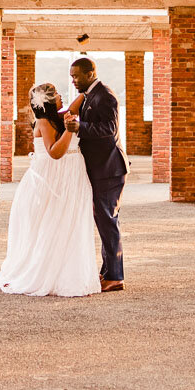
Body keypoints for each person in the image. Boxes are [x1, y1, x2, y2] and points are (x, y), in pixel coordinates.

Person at [0, 83, 101, 297]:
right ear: (47, 102)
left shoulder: (60, 115)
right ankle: (47, 274)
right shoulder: (44, 122)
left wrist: (88, 91)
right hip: (52, 179)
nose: (61, 95)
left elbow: (75, 105)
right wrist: (70, 130)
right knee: (53, 224)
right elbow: (55, 152)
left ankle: (67, 272)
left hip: (70, 175)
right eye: (55, 94)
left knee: (70, 223)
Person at [65, 57, 127, 292]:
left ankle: (115, 277)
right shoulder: (90, 95)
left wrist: (81, 127)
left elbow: (109, 131)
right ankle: (107, 271)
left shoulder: (106, 95)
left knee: (108, 221)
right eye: (71, 76)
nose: (73, 80)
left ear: (91, 73)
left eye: (76, 76)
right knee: (103, 220)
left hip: (109, 170)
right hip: (100, 168)